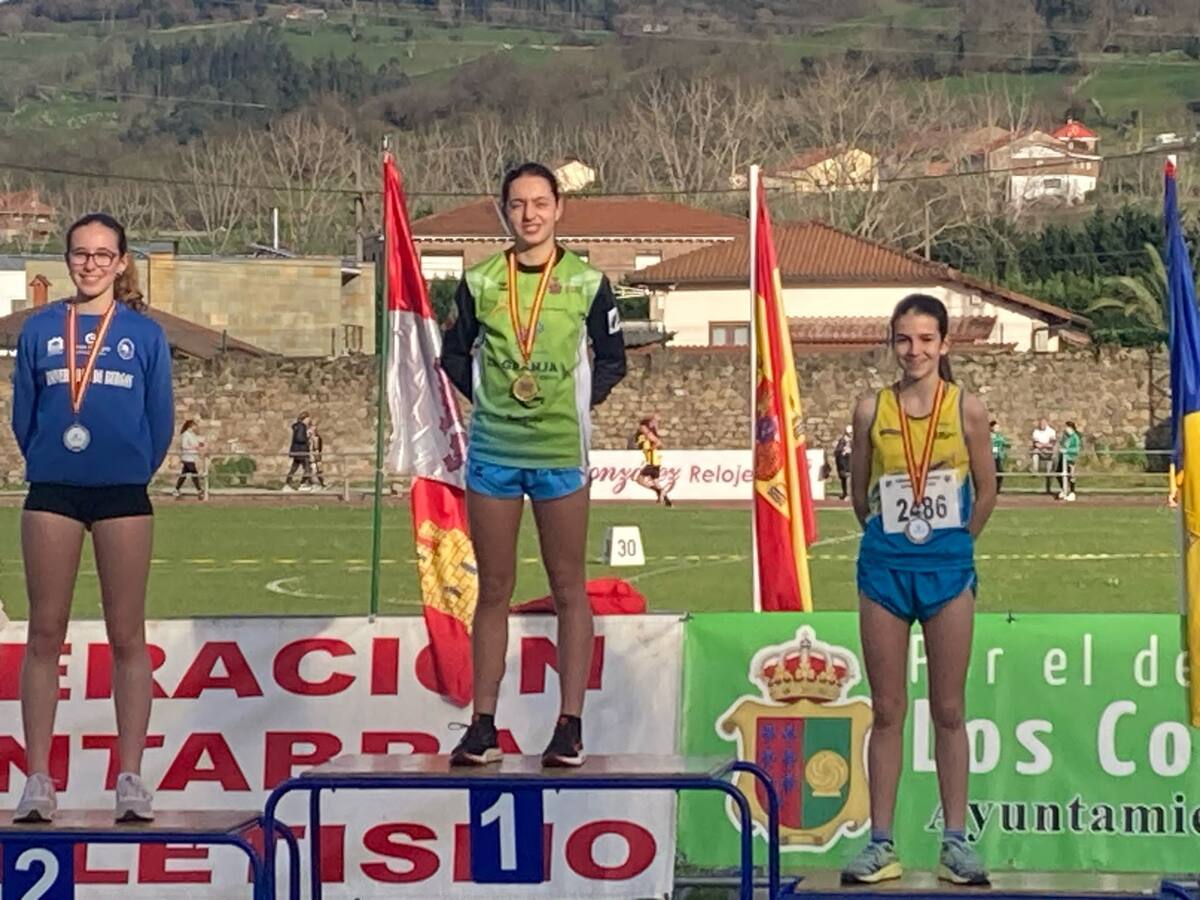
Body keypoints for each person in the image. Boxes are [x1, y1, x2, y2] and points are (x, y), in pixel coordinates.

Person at [440, 162, 627, 767]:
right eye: (518, 204)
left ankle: (569, 724)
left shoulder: (588, 282)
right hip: (494, 451)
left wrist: (578, 405)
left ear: (558, 209)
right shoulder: (480, 281)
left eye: (540, 203)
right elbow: (453, 354)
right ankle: (483, 725)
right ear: (504, 212)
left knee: (569, 586)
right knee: (493, 589)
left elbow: (613, 359)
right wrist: (493, 399)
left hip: (559, 454)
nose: (529, 215)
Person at [10, 213, 173, 822]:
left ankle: (130, 777)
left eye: (104, 255)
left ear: (122, 261)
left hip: (123, 494)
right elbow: (24, 416)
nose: (92, 264)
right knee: (44, 634)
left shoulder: (143, 334)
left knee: (127, 637)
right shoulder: (39, 330)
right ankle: (37, 780)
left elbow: (159, 421)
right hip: (53, 488)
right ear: (67, 259)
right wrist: (55, 459)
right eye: (81, 254)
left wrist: (127, 465)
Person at [843, 294, 996, 886]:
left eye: (926, 340)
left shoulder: (968, 409)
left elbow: (986, 489)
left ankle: (954, 842)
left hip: (948, 572)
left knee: (950, 710)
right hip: (884, 570)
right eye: (904, 340)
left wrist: (955, 542)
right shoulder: (869, 409)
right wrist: (894, 539)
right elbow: (860, 495)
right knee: (886, 710)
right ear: (892, 344)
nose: (915, 350)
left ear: (945, 345)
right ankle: (881, 843)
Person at [633, 415, 673, 507]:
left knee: (639, 480)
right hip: (655, 461)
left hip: (652, 460)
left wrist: (651, 449)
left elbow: (658, 443)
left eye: (642, 427)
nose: (640, 428)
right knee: (656, 482)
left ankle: (659, 491)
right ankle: (668, 502)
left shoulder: (648, 434)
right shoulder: (644, 434)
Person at [174, 419, 205, 499]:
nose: (196, 427)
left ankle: (176, 490)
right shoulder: (186, 434)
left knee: (184, 475)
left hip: (192, 457)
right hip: (188, 457)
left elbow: (195, 442)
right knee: (194, 474)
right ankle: (199, 490)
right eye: (194, 425)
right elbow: (184, 446)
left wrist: (199, 444)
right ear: (191, 426)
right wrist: (195, 447)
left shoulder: (191, 434)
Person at [285, 412, 312, 491]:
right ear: (305, 418)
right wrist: (307, 437)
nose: (309, 420)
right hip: (302, 450)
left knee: (294, 467)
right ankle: (303, 483)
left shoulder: (297, 426)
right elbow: (300, 438)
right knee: (308, 468)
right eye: (308, 419)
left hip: (296, 450)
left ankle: (288, 483)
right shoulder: (302, 426)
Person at [1031, 416, 1057, 495]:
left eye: (1043, 423)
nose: (1042, 425)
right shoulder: (1036, 431)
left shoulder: (1051, 431)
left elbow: (1052, 444)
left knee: (1049, 472)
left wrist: (1043, 446)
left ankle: (1048, 489)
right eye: (1040, 423)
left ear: (1046, 423)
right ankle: (1035, 471)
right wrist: (1044, 446)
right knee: (1035, 453)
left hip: (1049, 453)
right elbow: (1036, 444)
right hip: (1040, 451)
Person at [1056, 420, 1081, 501]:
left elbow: (1076, 449)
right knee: (1059, 473)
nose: (1066, 429)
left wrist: (1066, 450)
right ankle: (1064, 489)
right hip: (1063, 458)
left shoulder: (1075, 437)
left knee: (1070, 475)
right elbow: (1063, 445)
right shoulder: (1066, 436)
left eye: (1067, 427)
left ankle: (1072, 492)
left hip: (1070, 459)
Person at [989, 419, 1010, 494]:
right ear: (991, 428)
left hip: (998, 456)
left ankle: (997, 489)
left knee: (1000, 472)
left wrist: (1007, 444)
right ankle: (992, 489)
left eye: (998, 427)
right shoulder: (989, 436)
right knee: (993, 473)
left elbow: (1004, 442)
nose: (997, 429)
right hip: (991, 457)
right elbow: (993, 443)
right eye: (996, 427)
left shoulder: (999, 436)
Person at [834, 424, 853, 500]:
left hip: (848, 461)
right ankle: (846, 493)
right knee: (845, 478)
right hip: (844, 462)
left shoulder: (852, 441)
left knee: (848, 478)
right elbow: (838, 452)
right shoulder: (843, 441)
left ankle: (848, 494)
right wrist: (844, 451)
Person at [309, 419, 327, 490]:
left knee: (319, 470)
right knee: (313, 470)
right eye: (312, 426)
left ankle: (322, 483)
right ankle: (313, 483)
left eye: (315, 426)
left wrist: (317, 455)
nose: (313, 427)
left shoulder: (317, 437)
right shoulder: (309, 436)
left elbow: (318, 448)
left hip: (316, 455)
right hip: (311, 455)